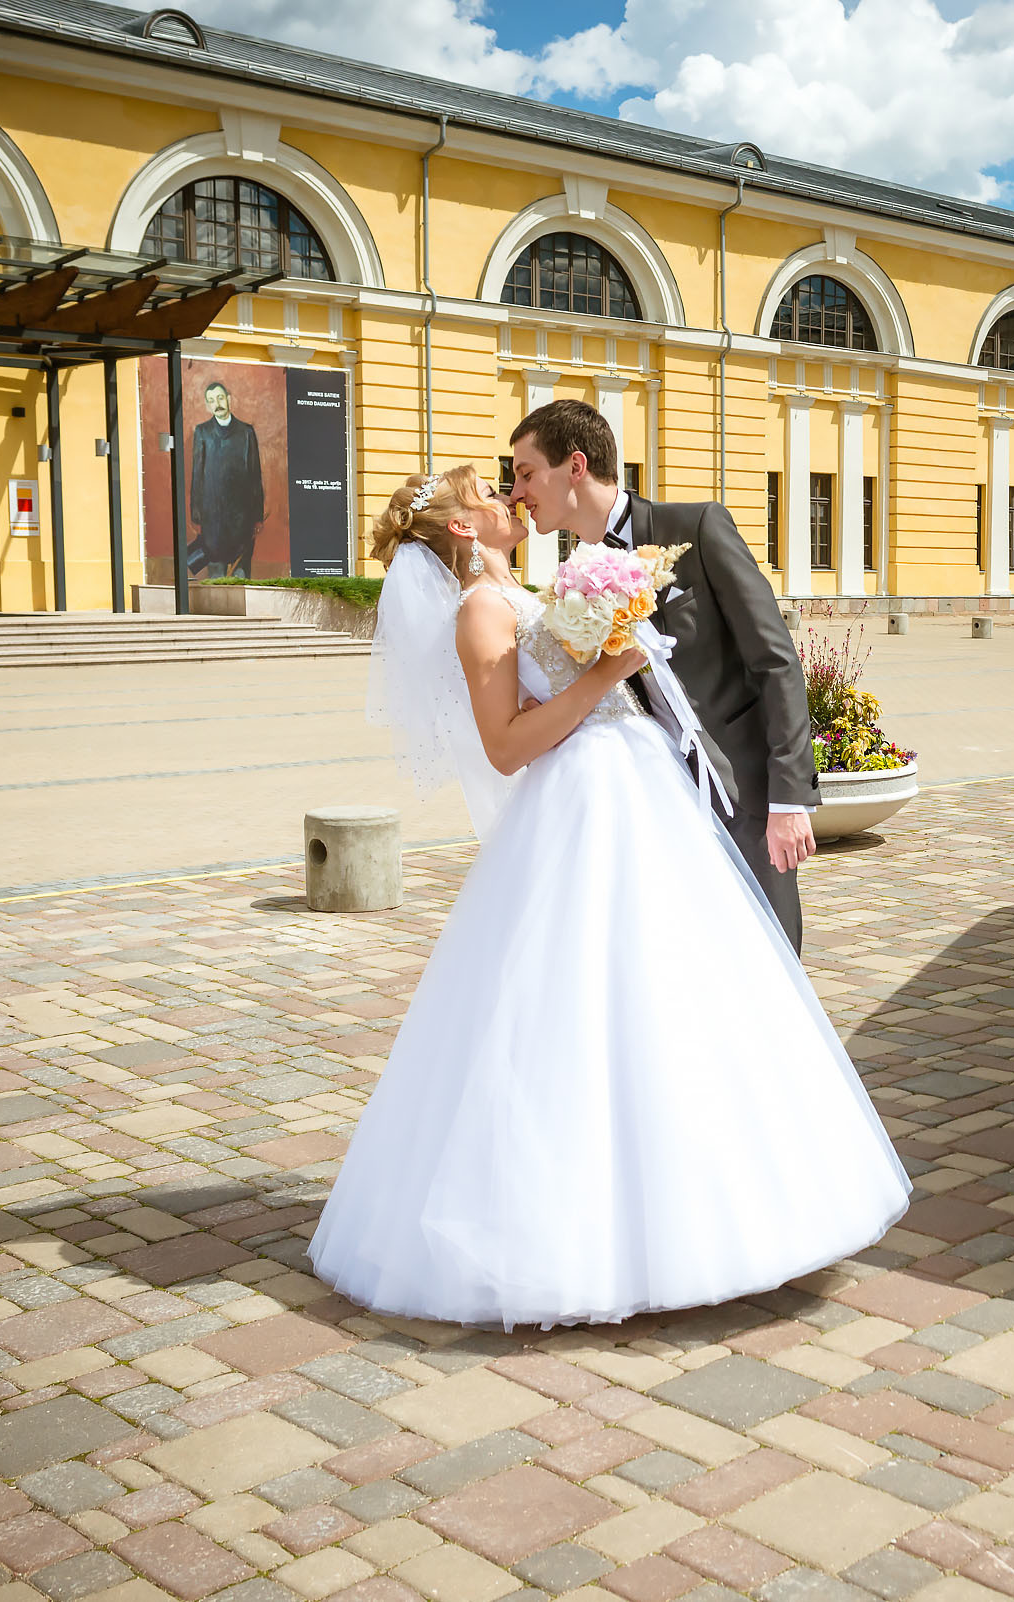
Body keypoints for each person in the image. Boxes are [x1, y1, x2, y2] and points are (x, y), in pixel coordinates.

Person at [307, 467, 909, 1330]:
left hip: (639, 792)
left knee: (675, 993)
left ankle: (714, 1199)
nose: (507, 499)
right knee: (584, 1005)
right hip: (581, 809)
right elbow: (507, 747)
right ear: (462, 532)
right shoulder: (481, 610)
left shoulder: (520, 587)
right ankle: (600, 1232)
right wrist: (606, 672)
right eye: (487, 493)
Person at [508, 400, 819, 951]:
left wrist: (788, 800)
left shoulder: (695, 527)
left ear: (575, 466)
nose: (516, 493)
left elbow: (775, 662)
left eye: (526, 473)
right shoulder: (570, 586)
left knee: (774, 963)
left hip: (744, 795)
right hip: (657, 805)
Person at [188, 379, 264, 577]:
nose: (217, 403)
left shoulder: (246, 433)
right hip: (213, 519)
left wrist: (257, 516)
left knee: (241, 574)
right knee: (216, 575)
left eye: (220, 398)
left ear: (229, 399)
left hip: (242, 519)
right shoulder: (202, 432)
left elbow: (255, 477)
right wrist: (196, 515)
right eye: (212, 400)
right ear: (207, 404)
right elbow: (198, 475)